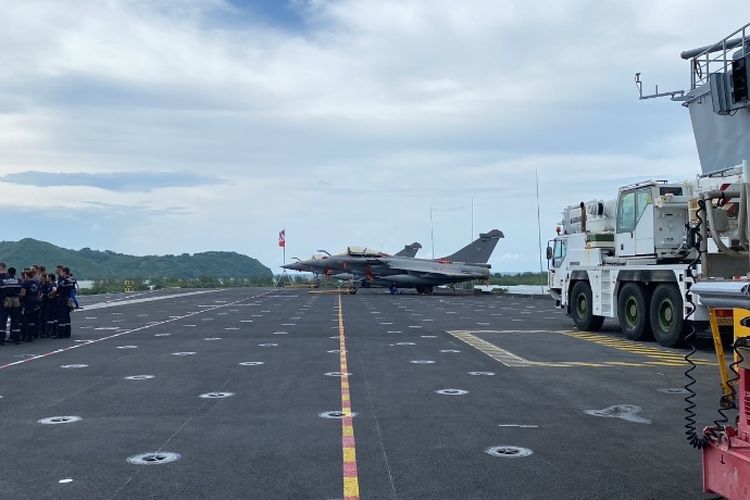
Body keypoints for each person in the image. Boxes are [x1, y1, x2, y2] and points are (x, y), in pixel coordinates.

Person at [0, 267, 23, 344]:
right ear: (15, 273)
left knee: (3, 321)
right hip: (15, 302)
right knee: (15, 321)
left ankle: (1, 340)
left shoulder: (3, 280)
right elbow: (21, 292)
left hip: (4, 302)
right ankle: (16, 339)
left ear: (8, 273)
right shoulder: (18, 281)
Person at [20, 269, 41, 342]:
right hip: (35, 301)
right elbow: (39, 293)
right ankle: (32, 335)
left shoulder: (25, 283)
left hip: (27, 302)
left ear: (26, 275)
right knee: (33, 319)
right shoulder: (37, 283)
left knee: (26, 319)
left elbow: (23, 294)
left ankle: (26, 335)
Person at [55, 267, 76, 339]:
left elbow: (59, 289)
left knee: (61, 317)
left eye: (61, 272)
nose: (60, 273)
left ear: (64, 272)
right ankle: (67, 332)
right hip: (68, 298)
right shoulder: (71, 279)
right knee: (67, 316)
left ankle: (61, 333)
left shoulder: (64, 280)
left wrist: (55, 292)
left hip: (62, 299)